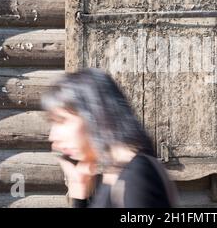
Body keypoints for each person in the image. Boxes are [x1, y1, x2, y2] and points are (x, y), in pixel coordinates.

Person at [41, 68, 179, 208]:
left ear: (95, 114)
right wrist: (79, 194)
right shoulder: (116, 172)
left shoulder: (136, 177)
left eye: (61, 120)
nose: (53, 136)